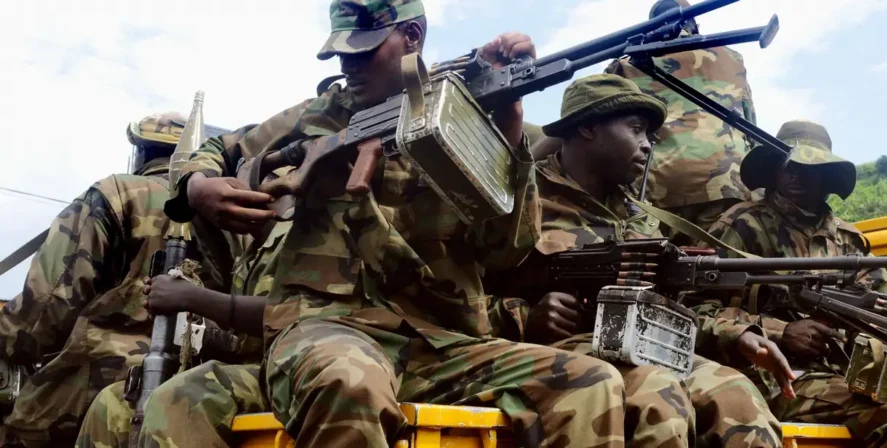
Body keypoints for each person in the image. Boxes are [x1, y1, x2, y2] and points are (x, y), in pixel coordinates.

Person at [163, 1, 635, 446]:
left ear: (412, 36)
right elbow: (221, 148)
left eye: (363, 52)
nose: (349, 66)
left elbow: (504, 252)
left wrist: (508, 123)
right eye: (342, 54)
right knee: (350, 381)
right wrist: (197, 186)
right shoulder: (321, 114)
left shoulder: (465, 117)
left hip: (439, 340)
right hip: (327, 328)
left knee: (592, 382)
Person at [490, 74, 791, 448]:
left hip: (644, 349)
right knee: (659, 396)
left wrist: (734, 336)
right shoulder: (520, 196)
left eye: (649, 135)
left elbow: (667, 311)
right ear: (588, 127)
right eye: (636, 130)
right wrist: (525, 315)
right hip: (556, 355)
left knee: (737, 395)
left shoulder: (642, 219)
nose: (648, 145)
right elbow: (461, 296)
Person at [702, 119, 887, 447]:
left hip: (845, 377)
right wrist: (781, 332)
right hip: (772, 378)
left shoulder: (849, 241)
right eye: (786, 165)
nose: (794, 175)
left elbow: (883, 313)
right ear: (773, 171)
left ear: (826, 174)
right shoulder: (743, 225)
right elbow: (697, 310)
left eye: (807, 167)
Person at [0, 113, 232, 447]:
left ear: (142, 152)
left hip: (95, 395)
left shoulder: (118, 193)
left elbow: (43, 310)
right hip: (201, 397)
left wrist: (9, 341)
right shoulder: (230, 216)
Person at [74, 160, 287, 448]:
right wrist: (191, 319)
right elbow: (242, 340)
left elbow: (297, 313)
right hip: (249, 369)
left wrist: (193, 297)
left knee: (182, 397)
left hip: (286, 371)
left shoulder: (307, 239)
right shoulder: (252, 252)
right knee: (111, 403)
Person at [601, 0, 759, 240]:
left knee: (657, 259)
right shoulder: (733, 58)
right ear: (695, 25)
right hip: (727, 183)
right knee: (720, 260)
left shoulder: (627, 64)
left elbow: (604, 127)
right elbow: (750, 126)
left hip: (657, 186)